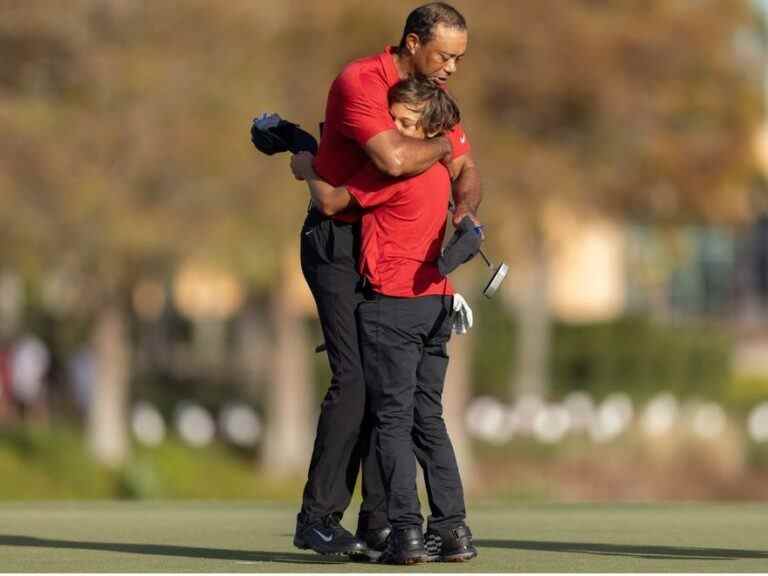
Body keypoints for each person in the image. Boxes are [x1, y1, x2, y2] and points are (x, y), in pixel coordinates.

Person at [292, 2, 481, 557]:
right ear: (413, 42)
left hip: (389, 242)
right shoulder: (361, 82)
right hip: (338, 241)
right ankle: (319, 518)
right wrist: (443, 148)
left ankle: (383, 522)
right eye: (444, 55)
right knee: (354, 381)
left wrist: (463, 213)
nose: (451, 67)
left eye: (458, 58)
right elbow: (397, 160)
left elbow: (468, 171)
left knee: (388, 390)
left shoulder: (428, 100)